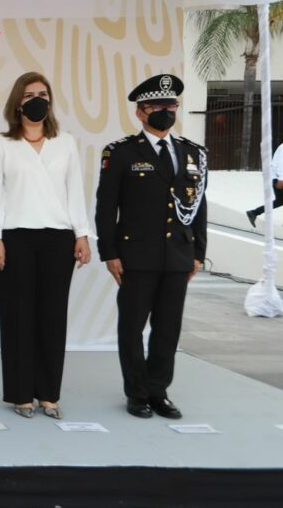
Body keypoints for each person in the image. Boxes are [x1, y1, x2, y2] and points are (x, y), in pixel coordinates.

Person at [95, 73, 206, 419]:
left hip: (177, 256)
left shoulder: (193, 153)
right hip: (135, 257)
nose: (166, 110)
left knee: (168, 328)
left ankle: (159, 391)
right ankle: (137, 393)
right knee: (131, 327)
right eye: (158, 105)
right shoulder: (121, 152)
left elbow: (200, 206)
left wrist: (199, 253)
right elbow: (105, 207)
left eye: (171, 104)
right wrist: (109, 253)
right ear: (141, 112)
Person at [0, 72, 92, 420]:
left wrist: (82, 234)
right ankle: (20, 394)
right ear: (18, 102)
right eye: (30, 94)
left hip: (58, 238)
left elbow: (75, 190)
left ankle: (48, 394)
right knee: (17, 317)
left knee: (52, 316)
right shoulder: (2, 144)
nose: (37, 99)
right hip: (14, 238)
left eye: (43, 94)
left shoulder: (66, 142)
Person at [245, 142, 283, 227]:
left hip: (278, 177)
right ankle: (254, 212)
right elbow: (281, 163)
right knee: (280, 201)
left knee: (280, 201)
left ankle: (254, 212)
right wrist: (281, 179)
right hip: (277, 178)